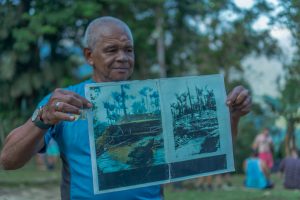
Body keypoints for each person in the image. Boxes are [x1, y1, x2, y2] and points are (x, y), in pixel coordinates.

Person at [0, 16, 252, 199]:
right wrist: (42, 118)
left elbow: (211, 158)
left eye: (128, 49)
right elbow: (8, 161)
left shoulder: (156, 98)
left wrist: (232, 116)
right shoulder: (64, 101)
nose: (123, 57)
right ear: (89, 56)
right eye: (112, 50)